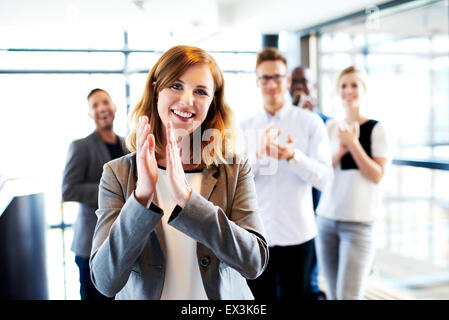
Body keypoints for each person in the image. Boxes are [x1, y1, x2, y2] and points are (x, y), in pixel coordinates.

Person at [89, 45, 269, 300]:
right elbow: (105, 280)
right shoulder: (117, 173)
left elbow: (254, 262)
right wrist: (141, 197)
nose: (187, 100)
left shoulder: (235, 168)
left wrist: (188, 199)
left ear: (212, 101)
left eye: (201, 91)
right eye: (175, 85)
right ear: (155, 90)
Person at [241, 47, 332, 300]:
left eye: (277, 77)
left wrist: (293, 157)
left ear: (287, 80)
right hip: (257, 237)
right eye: (265, 78)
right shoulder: (244, 127)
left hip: (299, 234)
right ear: (257, 82)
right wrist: (258, 155)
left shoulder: (310, 122)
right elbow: (237, 183)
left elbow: (324, 178)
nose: (272, 84)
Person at [316, 66, 390, 300]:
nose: (348, 90)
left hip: (358, 225)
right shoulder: (330, 128)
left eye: (354, 85)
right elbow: (323, 171)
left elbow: (377, 174)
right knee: (333, 294)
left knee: (349, 296)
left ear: (364, 90)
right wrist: (341, 147)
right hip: (327, 220)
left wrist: (353, 144)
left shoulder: (376, 129)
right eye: (343, 86)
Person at [62, 88, 128, 300]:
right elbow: (69, 189)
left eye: (105, 103)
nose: (102, 109)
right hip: (90, 244)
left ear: (114, 107)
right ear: (90, 113)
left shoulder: (127, 145)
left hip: (122, 243)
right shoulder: (81, 146)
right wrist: (112, 192)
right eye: (95, 105)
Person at [289, 65, 330, 299]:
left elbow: (326, 166)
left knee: (307, 267)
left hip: (315, 205)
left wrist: (309, 119)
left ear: (312, 86)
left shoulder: (323, 121)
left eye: (303, 81)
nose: (298, 86)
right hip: (286, 205)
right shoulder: (278, 119)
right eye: (294, 81)